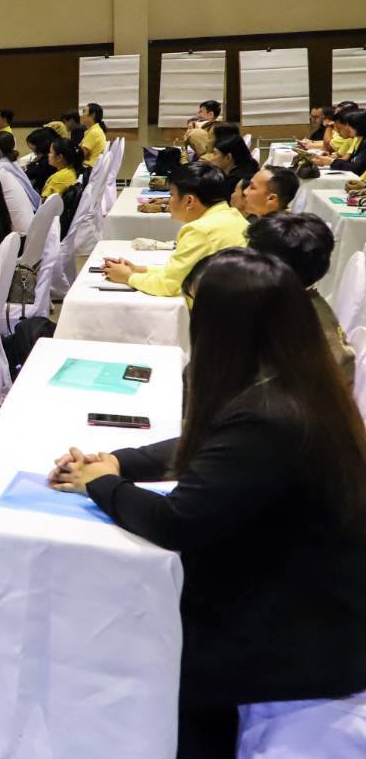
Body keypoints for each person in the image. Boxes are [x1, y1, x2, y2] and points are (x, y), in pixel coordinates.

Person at [49, 249, 366, 758]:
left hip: (293, 634)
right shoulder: (297, 379)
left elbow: (176, 521)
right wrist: (119, 462)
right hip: (303, 596)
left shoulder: (272, 414)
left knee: (138, 632)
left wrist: (101, 485)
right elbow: (211, 444)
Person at [102, 162, 248, 298]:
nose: (169, 200)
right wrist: (137, 269)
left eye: (171, 194)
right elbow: (184, 272)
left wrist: (128, 277)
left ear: (189, 201)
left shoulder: (200, 230)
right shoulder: (233, 215)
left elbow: (169, 285)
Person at [245, 213, 353, 376]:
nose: (243, 261)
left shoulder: (289, 322)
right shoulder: (299, 300)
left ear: (271, 267)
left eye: (250, 255)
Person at [23, 127, 58, 194]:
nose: (33, 152)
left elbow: (29, 174)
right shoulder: (46, 156)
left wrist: (33, 163)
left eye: (32, 149)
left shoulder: (47, 160)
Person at [78, 102, 107, 168]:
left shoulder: (94, 132)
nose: (81, 115)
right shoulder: (94, 130)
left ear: (93, 115)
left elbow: (80, 155)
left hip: (88, 168)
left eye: (84, 112)